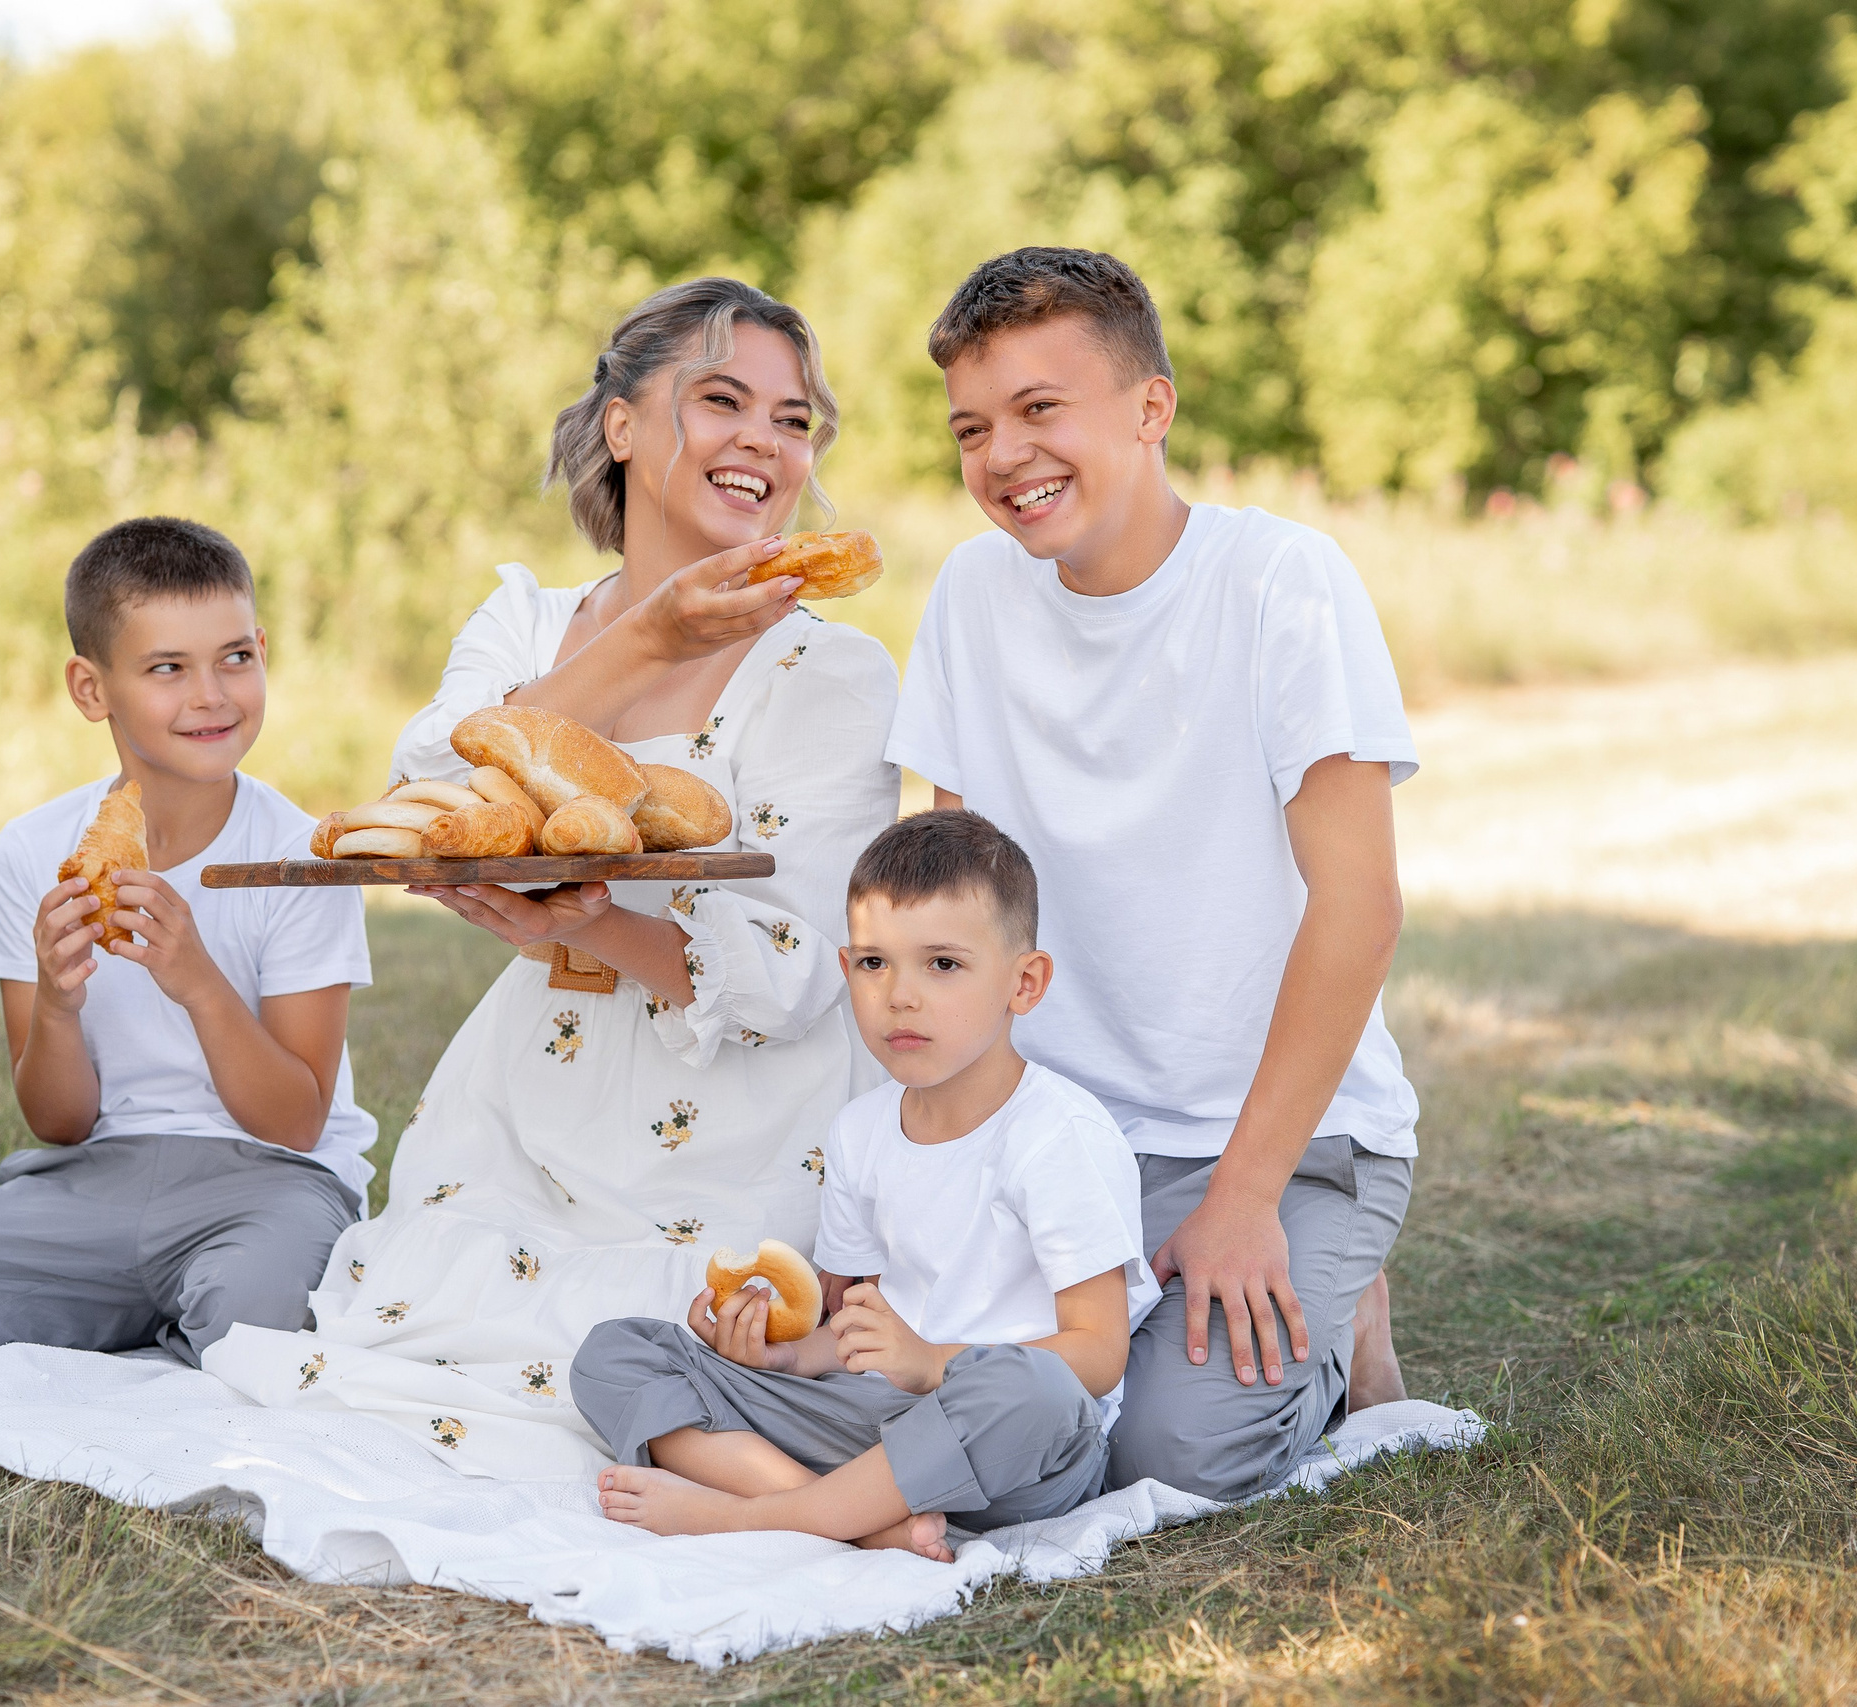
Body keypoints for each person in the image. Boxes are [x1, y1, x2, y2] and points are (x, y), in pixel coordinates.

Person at [200, 278, 900, 1477]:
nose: (765, 444)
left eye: (794, 421)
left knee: (656, 1337)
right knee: (403, 1319)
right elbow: (427, 794)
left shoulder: (831, 673)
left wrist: (588, 919)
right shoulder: (527, 624)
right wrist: (647, 640)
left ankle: (745, 1454)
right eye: (722, 400)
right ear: (623, 424)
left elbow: (796, 974)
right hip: (536, 1094)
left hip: (740, 1117)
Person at [886, 248, 1418, 1503]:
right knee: (949, 1413)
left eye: (1038, 410)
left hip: (1269, 1138)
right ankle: (1302, 1298)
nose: (1004, 454)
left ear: (1150, 409)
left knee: (1166, 1457)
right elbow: (949, 909)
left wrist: (1242, 1201)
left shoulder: (1281, 582)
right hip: (1055, 1136)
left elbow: (1360, 905)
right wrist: (934, 1170)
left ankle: (1344, 1313)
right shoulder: (970, 594)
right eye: (972, 427)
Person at [0, 517, 377, 1364]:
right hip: (100, 1177)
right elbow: (59, 1122)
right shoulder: (31, 854)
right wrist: (56, 999)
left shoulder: (302, 857)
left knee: (253, 1322)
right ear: (92, 689)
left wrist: (194, 979)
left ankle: (181, 1313)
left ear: (264, 649)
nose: (212, 696)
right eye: (167, 669)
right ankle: (155, 1314)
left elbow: (298, 1121)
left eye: (236, 656)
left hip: (274, 1184)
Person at [572, 811, 1157, 1561]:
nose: (900, 995)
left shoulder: (1056, 1133)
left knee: (1033, 1391)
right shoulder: (861, 1129)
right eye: (876, 963)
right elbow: (851, 1333)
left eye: (942, 964)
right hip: (874, 1420)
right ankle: (856, 1516)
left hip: (1011, 1444)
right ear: (849, 970)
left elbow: (1099, 1352)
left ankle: (754, 1516)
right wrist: (782, 1360)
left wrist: (930, 1362)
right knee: (615, 1352)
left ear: (1024, 981)